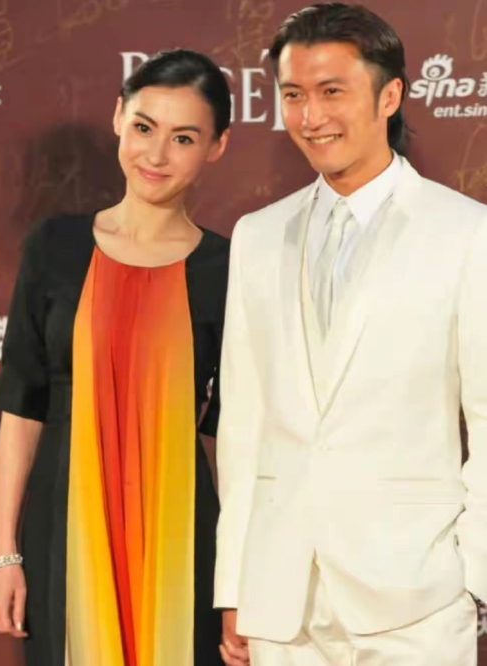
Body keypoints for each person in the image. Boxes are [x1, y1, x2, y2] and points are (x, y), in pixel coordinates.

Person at [215, 4, 487, 666]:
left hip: (415, 601)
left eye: (332, 91)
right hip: (282, 601)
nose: (311, 116)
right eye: (293, 95)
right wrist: (236, 585)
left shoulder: (465, 232)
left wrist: (474, 579)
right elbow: (243, 426)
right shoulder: (258, 236)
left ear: (389, 96)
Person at [0, 48, 231, 666]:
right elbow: (23, 401)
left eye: (183, 138)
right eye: (144, 126)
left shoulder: (229, 267)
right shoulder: (54, 247)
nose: (156, 154)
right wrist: (3, 550)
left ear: (217, 147)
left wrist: (237, 578)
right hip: (62, 526)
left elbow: (230, 432)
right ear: (118, 116)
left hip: (182, 534)